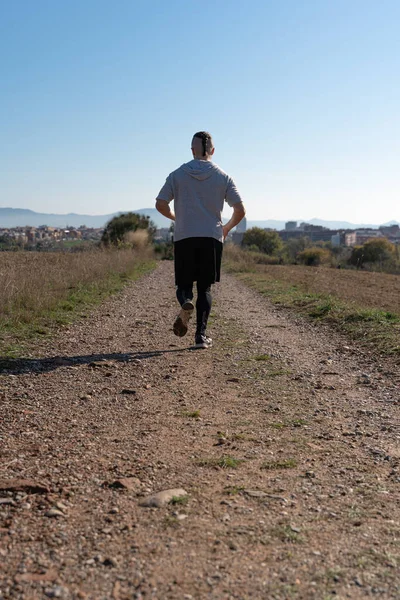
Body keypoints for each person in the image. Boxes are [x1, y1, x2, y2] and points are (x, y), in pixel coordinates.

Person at [155, 131, 246, 348]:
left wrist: (176, 218)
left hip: (185, 236)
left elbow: (160, 203)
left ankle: (186, 301)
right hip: (211, 237)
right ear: (212, 151)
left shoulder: (177, 174)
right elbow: (240, 209)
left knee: (184, 284)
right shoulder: (223, 176)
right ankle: (200, 337)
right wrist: (226, 228)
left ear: (192, 150)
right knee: (205, 288)